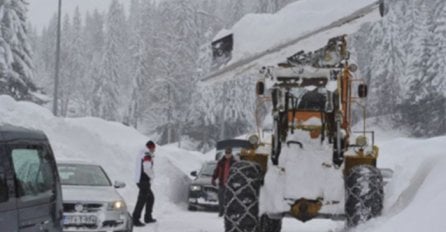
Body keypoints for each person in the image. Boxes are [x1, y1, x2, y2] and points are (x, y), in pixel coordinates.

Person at [132, 140, 157, 226]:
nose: (154, 150)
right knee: (142, 200)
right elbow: (146, 168)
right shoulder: (146, 154)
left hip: (140, 180)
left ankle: (148, 217)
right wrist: (152, 176)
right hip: (144, 181)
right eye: (154, 148)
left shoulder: (142, 153)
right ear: (151, 147)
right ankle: (135, 219)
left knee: (150, 198)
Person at [212, 146, 236, 217]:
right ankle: (221, 212)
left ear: (231, 153)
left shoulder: (234, 163)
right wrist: (213, 178)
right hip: (222, 183)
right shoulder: (221, 162)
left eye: (229, 153)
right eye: (226, 153)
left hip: (231, 184)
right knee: (221, 199)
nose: (227, 154)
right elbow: (216, 171)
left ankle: (229, 213)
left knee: (230, 199)